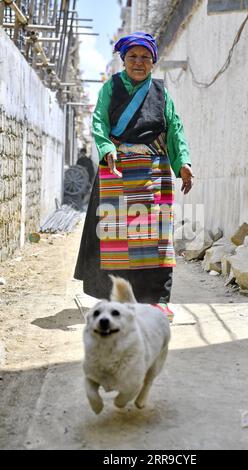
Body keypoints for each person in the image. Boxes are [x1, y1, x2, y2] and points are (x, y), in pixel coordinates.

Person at [74, 32, 194, 307]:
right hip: (118, 171)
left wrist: (183, 162)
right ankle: (119, 299)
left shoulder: (162, 93)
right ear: (123, 59)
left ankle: (156, 300)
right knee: (117, 238)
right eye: (132, 57)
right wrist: (107, 150)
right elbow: (99, 123)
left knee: (155, 239)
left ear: (153, 62)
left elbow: (174, 128)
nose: (138, 62)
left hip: (154, 172)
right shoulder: (111, 88)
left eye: (145, 57)